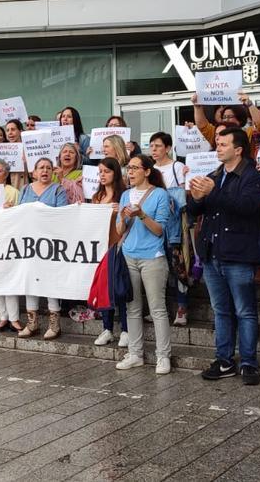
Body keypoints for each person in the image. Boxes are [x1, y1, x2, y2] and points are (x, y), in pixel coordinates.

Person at [188, 127, 260, 385]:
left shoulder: (252, 175)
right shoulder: (215, 174)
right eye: (217, 144)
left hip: (239, 254)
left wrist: (213, 192)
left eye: (223, 144)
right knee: (220, 311)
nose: (218, 148)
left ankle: (248, 363)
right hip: (212, 253)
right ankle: (224, 360)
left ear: (238, 149)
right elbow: (195, 211)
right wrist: (197, 197)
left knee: (245, 311)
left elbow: (247, 207)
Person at [114, 154, 173, 375]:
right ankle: (135, 353)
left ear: (147, 171)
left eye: (135, 168)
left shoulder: (159, 194)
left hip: (153, 256)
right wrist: (122, 217)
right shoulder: (126, 195)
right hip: (129, 254)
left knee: (158, 309)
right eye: (129, 168)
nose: (130, 172)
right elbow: (119, 231)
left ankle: (163, 356)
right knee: (132, 308)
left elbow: (159, 230)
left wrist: (141, 214)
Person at [17, 157, 69, 339]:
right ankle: (32, 323)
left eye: (48, 167)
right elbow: (17, 213)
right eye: (41, 168)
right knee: (30, 280)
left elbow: (63, 215)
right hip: (29, 244)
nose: (45, 170)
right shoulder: (25, 189)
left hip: (50, 243)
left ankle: (54, 323)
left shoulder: (58, 190)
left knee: (49, 281)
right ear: (34, 172)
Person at [148, 131, 190, 326]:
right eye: (152, 146)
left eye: (158, 146)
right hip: (154, 224)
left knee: (177, 265)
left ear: (167, 148)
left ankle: (182, 307)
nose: (154, 149)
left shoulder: (177, 166)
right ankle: (159, 307)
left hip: (173, 225)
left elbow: (183, 194)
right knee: (157, 266)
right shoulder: (149, 169)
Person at [90, 157, 128, 348]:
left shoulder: (123, 196)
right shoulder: (96, 197)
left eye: (106, 171)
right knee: (104, 288)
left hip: (118, 246)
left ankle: (125, 330)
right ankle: (107, 329)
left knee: (118, 288)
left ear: (115, 173)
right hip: (101, 248)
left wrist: (120, 211)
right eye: (100, 172)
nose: (102, 175)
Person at [0, 158, 23, 333]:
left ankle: (14, 318)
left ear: (6, 174)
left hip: (8, 241)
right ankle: (3, 317)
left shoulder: (13, 192)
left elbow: (21, 215)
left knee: (9, 280)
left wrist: (11, 210)